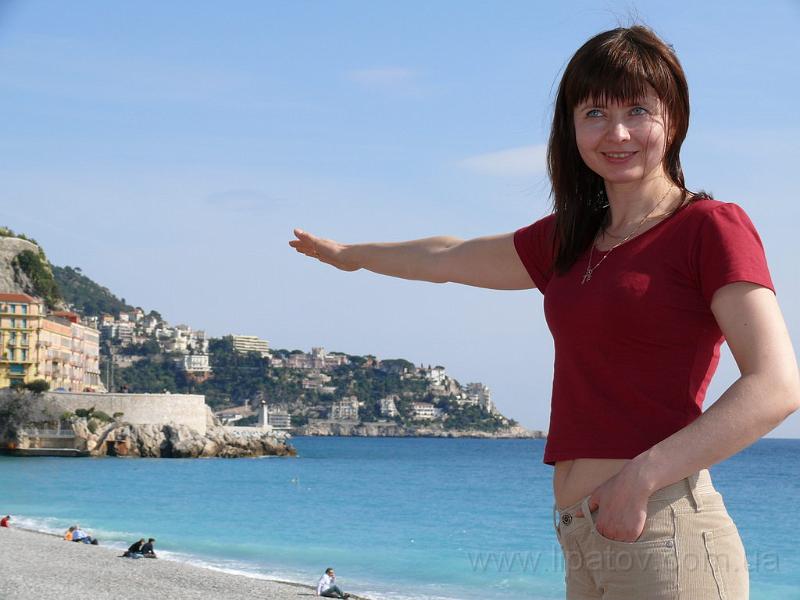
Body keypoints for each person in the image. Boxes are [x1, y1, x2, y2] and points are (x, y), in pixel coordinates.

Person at [290, 24, 800, 599]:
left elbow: (777, 385)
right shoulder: (571, 240)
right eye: (595, 113)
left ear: (674, 119)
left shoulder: (708, 227)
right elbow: (449, 256)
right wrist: (351, 256)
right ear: (571, 126)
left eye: (638, 110)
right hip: (582, 534)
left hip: (663, 530)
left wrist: (643, 476)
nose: (617, 132)